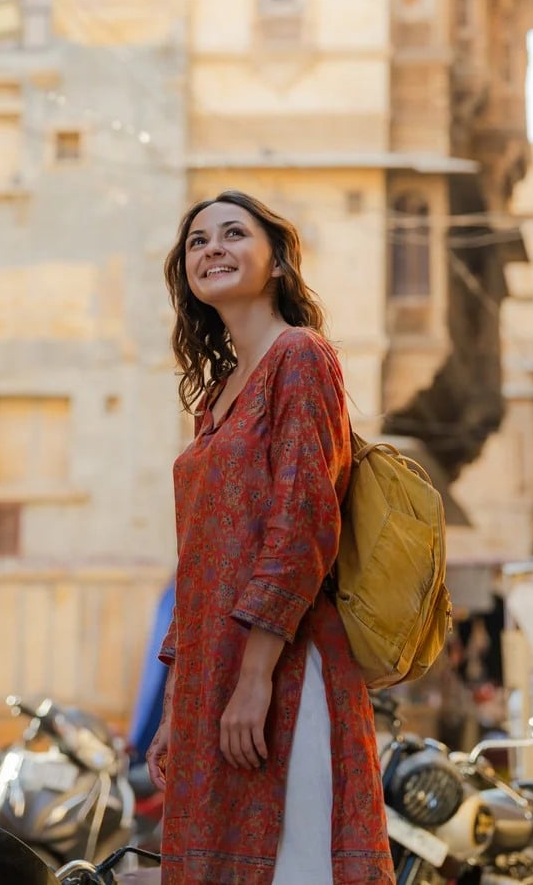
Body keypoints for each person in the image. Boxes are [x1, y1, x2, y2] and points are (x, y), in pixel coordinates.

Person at [147, 192, 393, 885]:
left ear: (278, 261)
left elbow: (303, 522)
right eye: (197, 240)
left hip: (285, 664)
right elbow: (196, 564)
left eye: (233, 234)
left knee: (294, 865)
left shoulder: (301, 358)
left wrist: (255, 677)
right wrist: (178, 703)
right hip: (211, 677)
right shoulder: (215, 398)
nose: (212, 248)